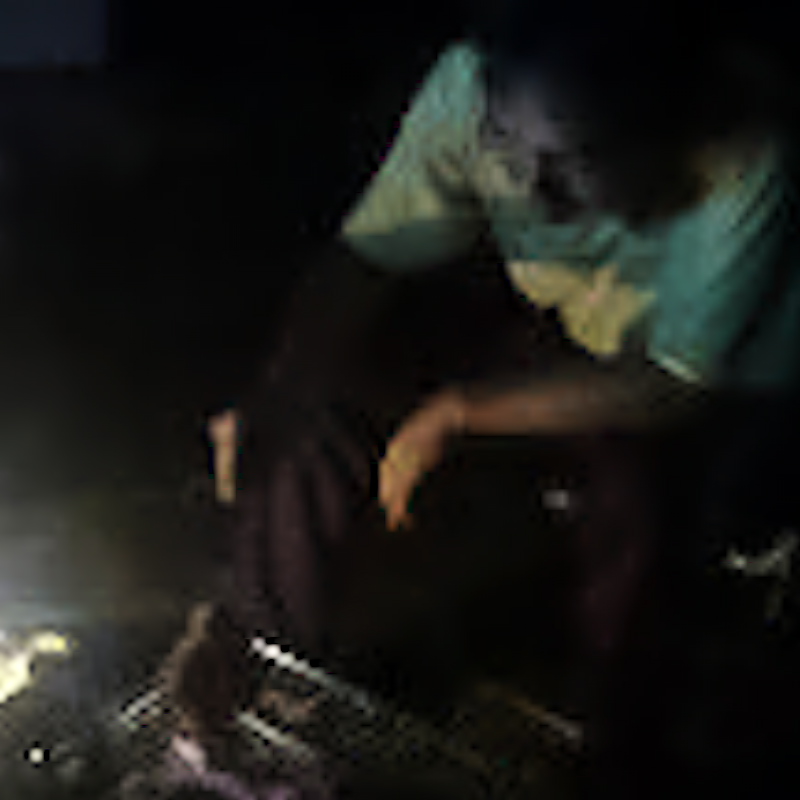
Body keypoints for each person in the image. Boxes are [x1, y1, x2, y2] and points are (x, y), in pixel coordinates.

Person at [167, 0, 800, 789]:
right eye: (509, 151)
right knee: (325, 409)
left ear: (661, 133)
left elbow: (670, 385)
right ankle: (258, 664)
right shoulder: (474, 87)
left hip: (718, 379)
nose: (532, 194)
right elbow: (365, 260)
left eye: (573, 163)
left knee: (643, 506)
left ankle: (610, 737)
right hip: (568, 319)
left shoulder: (748, 148)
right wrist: (285, 388)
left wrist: (459, 413)